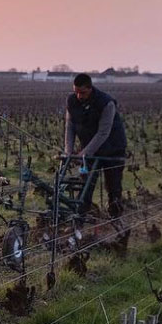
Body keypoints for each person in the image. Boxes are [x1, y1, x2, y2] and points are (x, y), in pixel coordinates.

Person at [63, 73, 128, 219]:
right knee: (85, 185)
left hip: (113, 149)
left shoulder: (106, 103)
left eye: (83, 93)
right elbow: (70, 127)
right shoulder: (71, 101)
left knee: (113, 187)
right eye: (76, 92)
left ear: (90, 88)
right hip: (89, 149)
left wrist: (85, 152)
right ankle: (79, 219)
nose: (79, 96)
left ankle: (116, 219)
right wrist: (68, 151)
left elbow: (103, 133)